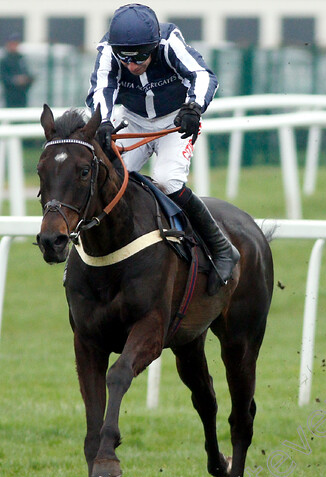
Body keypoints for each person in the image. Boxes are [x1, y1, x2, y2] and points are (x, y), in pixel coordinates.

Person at [87, 3, 236, 294]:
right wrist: (103, 122)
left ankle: (222, 248)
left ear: (154, 45)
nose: (132, 65)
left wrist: (194, 107)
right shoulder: (107, 50)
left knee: (168, 182)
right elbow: (102, 89)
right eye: (125, 57)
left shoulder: (169, 43)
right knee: (107, 181)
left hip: (174, 122)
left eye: (141, 56)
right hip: (131, 119)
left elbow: (204, 76)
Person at [0, 33, 33, 108]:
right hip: (10, 97)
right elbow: (3, 78)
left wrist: (26, 80)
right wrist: (15, 80)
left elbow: (27, 74)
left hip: (22, 96)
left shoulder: (21, 59)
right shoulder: (4, 60)